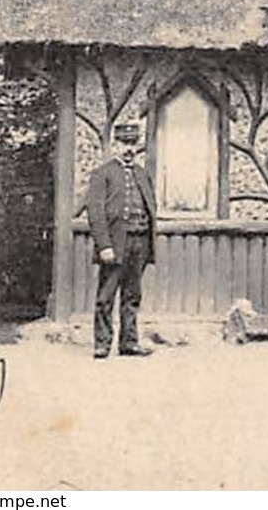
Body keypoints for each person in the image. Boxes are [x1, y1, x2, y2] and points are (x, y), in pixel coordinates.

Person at [84, 122, 157, 359]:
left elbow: (150, 208)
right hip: (115, 243)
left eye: (132, 143)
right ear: (115, 145)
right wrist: (104, 245)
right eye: (124, 143)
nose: (128, 149)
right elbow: (95, 213)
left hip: (140, 241)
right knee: (106, 296)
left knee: (132, 295)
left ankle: (129, 343)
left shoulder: (143, 175)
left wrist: (148, 242)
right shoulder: (102, 174)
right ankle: (102, 343)